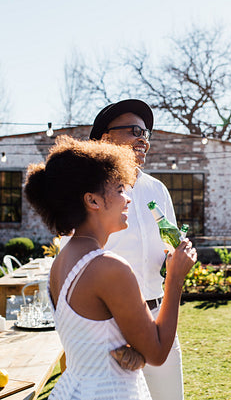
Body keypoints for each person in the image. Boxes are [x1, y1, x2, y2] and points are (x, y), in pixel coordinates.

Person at [24, 136, 197, 399]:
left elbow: (95, 335)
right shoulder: (109, 267)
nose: (127, 199)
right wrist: (174, 279)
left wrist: (131, 349)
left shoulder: (63, 260)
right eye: (118, 189)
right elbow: (159, 352)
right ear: (92, 201)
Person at [89, 99, 186, 400]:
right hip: (111, 325)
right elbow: (76, 266)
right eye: (133, 130)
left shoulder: (158, 189)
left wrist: (177, 255)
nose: (143, 138)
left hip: (158, 316)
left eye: (146, 133)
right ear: (106, 138)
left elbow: (169, 243)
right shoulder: (88, 191)